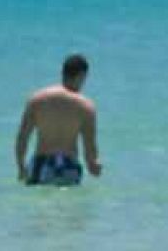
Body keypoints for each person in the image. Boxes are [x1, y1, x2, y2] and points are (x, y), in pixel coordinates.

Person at [14, 53, 102, 186]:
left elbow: (22, 137)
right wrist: (94, 166)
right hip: (68, 166)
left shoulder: (37, 99)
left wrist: (21, 166)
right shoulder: (85, 106)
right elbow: (90, 151)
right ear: (82, 76)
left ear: (63, 73)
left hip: (40, 165)